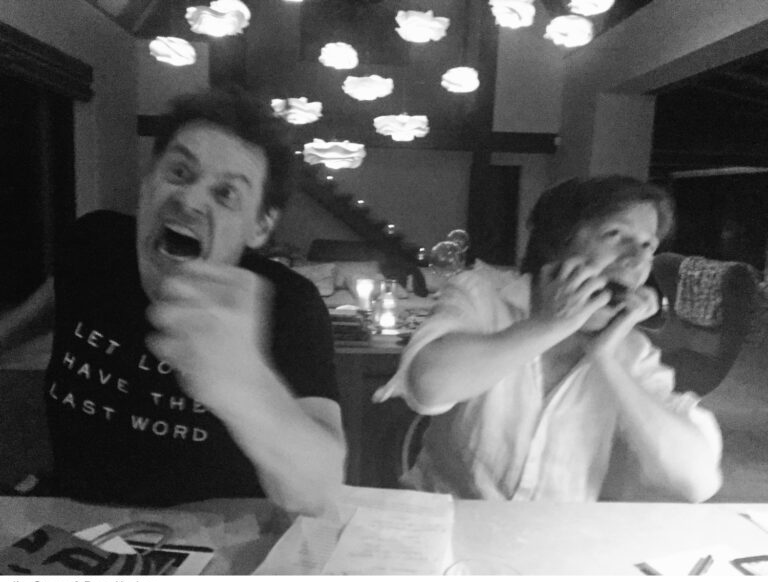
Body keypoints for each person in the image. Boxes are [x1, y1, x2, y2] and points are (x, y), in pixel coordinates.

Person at [0, 88, 345, 515]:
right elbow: (45, 309)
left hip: (220, 541)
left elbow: (318, 490)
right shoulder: (93, 243)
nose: (189, 200)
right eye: (180, 172)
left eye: (226, 194)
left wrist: (244, 385)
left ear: (259, 227)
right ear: (148, 181)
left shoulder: (289, 304)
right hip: (76, 529)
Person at [375, 176, 723, 502]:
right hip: (446, 523)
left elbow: (696, 481)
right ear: (557, 243)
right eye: (616, 235)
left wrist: (605, 359)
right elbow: (429, 386)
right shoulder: (482, 295)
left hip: (554, 538)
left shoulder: (630, 351)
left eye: (648, 245)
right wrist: (551, 325)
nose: (637, 259)